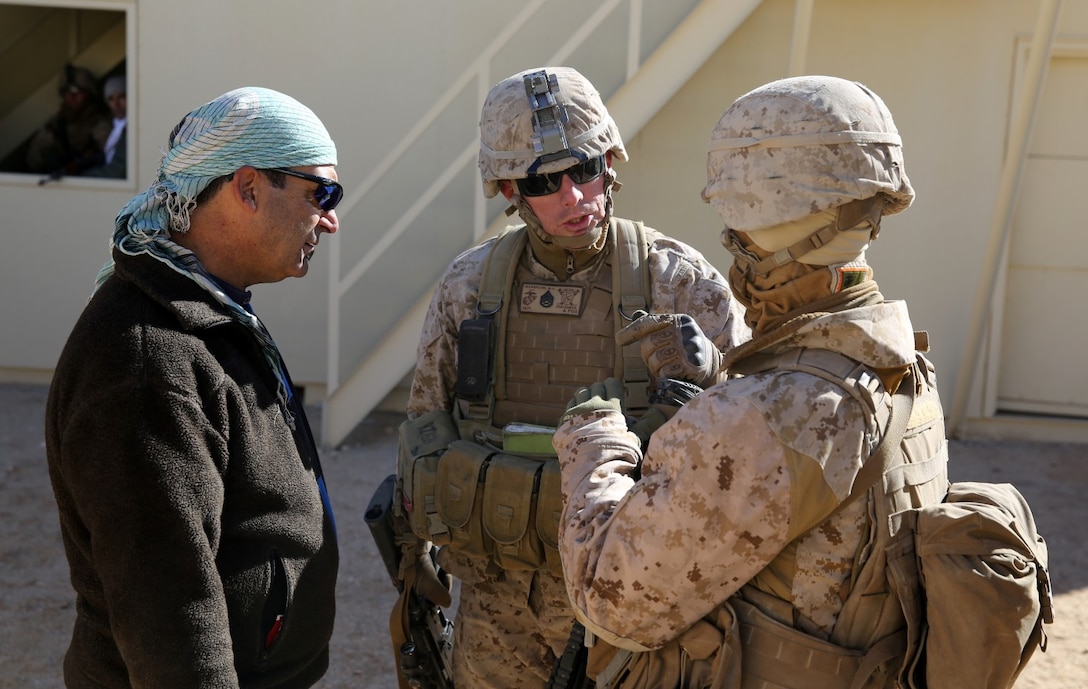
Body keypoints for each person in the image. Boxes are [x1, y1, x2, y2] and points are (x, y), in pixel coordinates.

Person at [552, 75, 950, 688]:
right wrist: (720, 377)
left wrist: (594, 441)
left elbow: (612, 601)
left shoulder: (763, 414)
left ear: (762, 208)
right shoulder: (902, 367)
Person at [394, 66, 750, 688]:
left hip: (631, 594)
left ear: (610, 162)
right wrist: (417, 559)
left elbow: (749, 445)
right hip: (498, 598)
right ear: (508, 187)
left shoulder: (680, 283)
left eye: (584, 170)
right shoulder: (470, 284)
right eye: (543, 181)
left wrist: (713, 374)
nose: (573, 197)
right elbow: (427, 422)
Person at [45, 86, 343, 689]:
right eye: (322, 192)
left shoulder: (205, 313)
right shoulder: (144, 357)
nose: (331, 218)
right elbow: (168, 614)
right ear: (249, 188)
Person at [25, 64, 111, 179]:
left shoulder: (101, 126)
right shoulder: (54, 126)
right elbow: (34, 161)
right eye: (67, 92)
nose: (72, 96)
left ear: (89, 93)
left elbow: (113, 163)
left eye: (77, 91)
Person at [83, 74, 127, 178]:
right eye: (111, 99)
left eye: (121, 97)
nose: (116, 104)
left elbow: (118, 170)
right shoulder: (111, 126)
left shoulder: (132, 129)